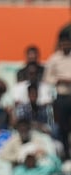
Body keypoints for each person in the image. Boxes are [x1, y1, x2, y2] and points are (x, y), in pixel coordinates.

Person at [43, 30, 71, 160]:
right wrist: (59, 80)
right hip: (61, 96)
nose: (66, 45)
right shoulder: (54, 58)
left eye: (68, 43)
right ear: (60, 44)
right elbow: (47, 78)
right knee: (63, 127)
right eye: (63, 43)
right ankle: (65, 154)